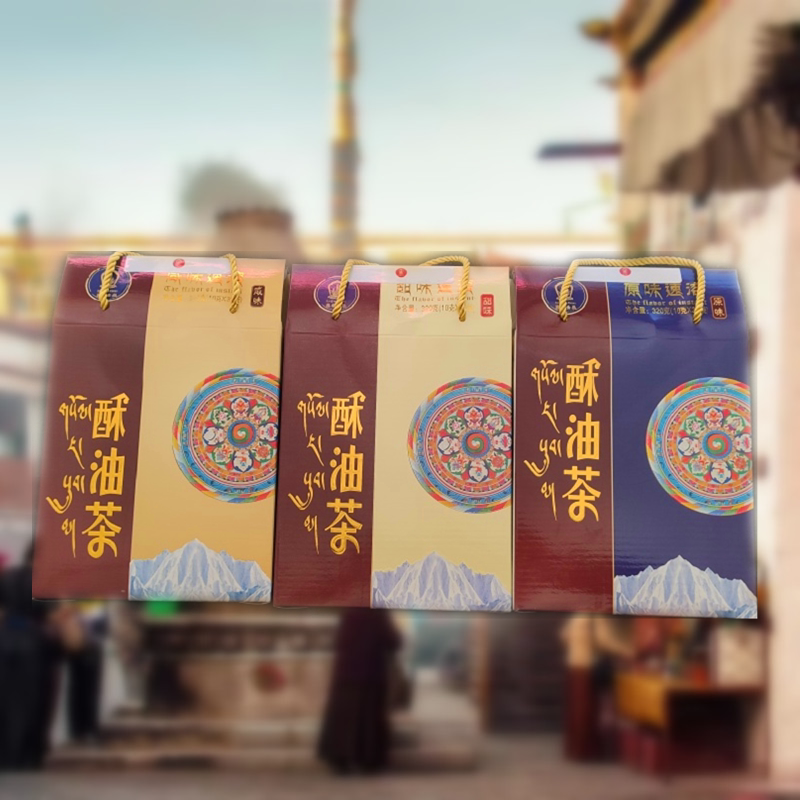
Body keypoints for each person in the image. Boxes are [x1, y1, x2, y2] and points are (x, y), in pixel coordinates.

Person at [318, 608, 401, 774]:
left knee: (344, 718)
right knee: (366, 719)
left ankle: (340, 758)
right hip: (369, 674)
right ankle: (367, 759)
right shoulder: (377, 613)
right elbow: (393, 641)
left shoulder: (350, 612)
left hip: (346, 673)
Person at [0, 545, 61, 769]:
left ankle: (6, 755)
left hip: (6, 642)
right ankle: (26, 756)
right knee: (32, 701)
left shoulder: (8, 577)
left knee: (6, 700)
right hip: (34, 646)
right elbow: (54, 619)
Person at [560, 614, 634, 761]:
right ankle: (587, 751)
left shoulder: (578, 616)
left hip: (573, 664)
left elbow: (564, 636)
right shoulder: (596, 616)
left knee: (576, 710)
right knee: (587, 710)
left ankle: (575, 750)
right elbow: (605, 640)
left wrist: (578, 644)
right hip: (587, 665)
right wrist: (628, 651)